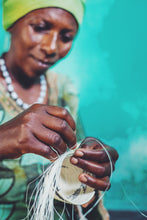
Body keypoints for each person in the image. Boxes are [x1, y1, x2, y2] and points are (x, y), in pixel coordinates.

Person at [0, 0, 118, 219]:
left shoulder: (64, 90)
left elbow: (77, 154)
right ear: (11, 22)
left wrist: (90, 167)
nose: (51, 47)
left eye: (66, 37)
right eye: (40, 27)